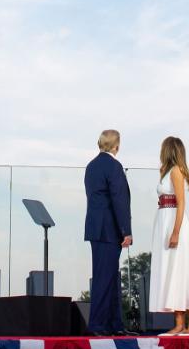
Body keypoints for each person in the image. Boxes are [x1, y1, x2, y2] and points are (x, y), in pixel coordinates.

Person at [84, 129, 132, 336]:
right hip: (110, 230)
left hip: (96, 228)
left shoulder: (91, 166)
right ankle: (97, 325)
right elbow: (119, 200)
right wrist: (126, 231)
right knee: (105, 278)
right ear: (116, 145)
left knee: (110, 277)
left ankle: (115, 325)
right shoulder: (114, 166)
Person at [148, 136, 189, 335]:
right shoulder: (165, 171)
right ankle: (179, 324)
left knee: (182, 272)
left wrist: (176, 231)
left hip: (174, 224)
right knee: (171, 272)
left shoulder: (176, 171)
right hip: (163, 221)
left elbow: (181, 203)